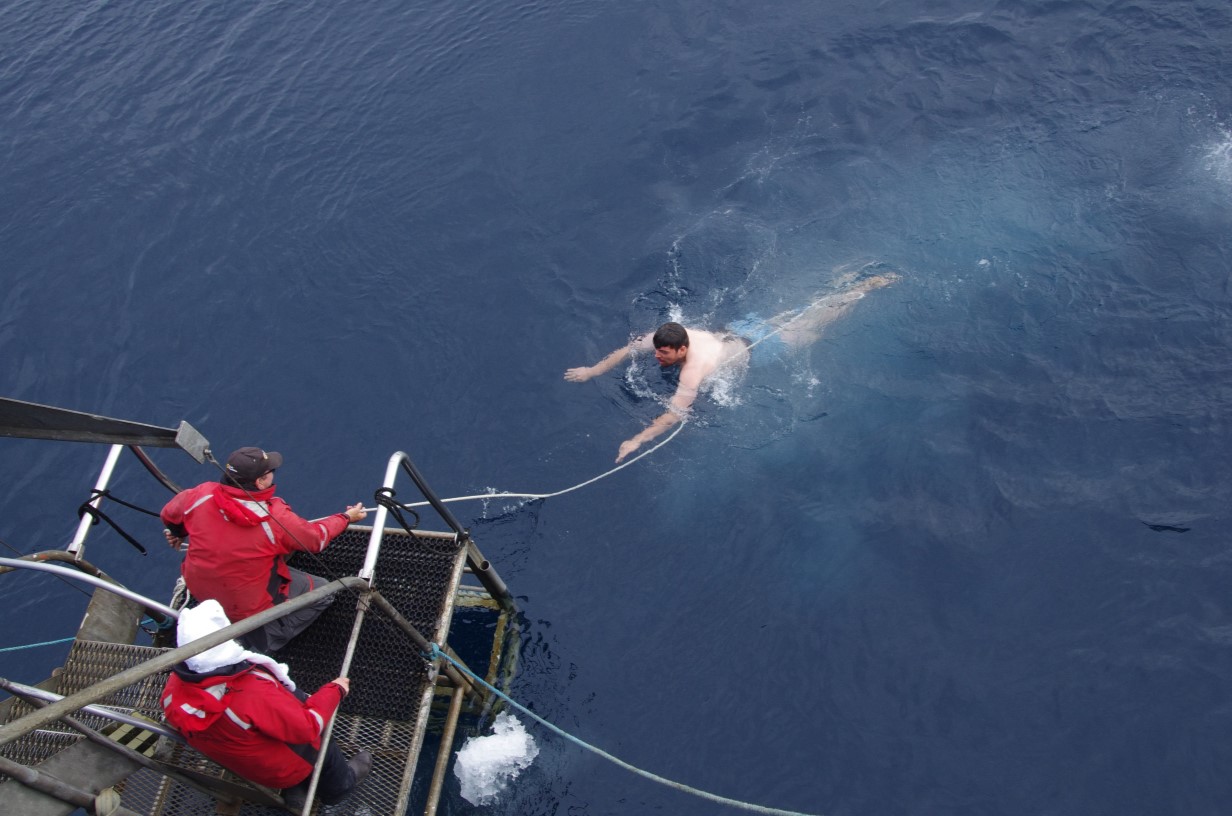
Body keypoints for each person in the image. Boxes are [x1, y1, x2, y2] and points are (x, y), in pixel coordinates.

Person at [565, 274, 896, 463]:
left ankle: (862, 291)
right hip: (740, 328)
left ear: (683, 348)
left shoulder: (693, 369)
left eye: (665, 355)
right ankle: (848, 283)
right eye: (658, 353)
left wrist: (637, 440)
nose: (658, 358)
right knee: (800, 313)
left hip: (759, 348)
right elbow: (625, 350)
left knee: (816, 326)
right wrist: (593, 371)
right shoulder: (662, 337)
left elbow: (675, 414)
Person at [161, 600, 372, 810]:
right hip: (288, 764)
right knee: (323, 741)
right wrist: (335, 690)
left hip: (258, 770)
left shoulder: (173, 691)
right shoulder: (250, 693)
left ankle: (295, 788)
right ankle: (339, 788)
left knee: (262, 744)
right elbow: (308, 727)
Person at [161, 446, 368, 653]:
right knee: (324, 591)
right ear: (260, 482)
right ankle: (264, 640)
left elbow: (169, 515)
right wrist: (347, 517)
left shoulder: (200, 494)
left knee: (275, 546)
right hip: (245, 609)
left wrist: (178, 532)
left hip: (200, 589)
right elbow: (316, 539)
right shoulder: (275, 518)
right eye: (270, 472)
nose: (273, 474)